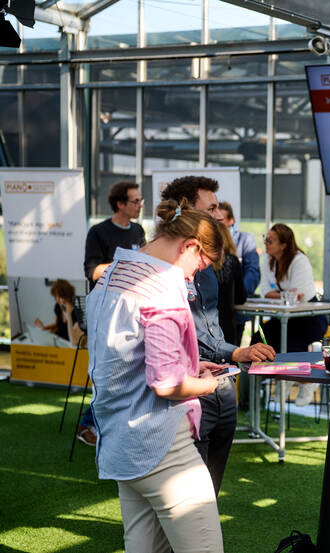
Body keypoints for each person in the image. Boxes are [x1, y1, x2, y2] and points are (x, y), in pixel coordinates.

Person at [86, 200, 226, 552]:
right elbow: (166, 384)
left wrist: (189, 369)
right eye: (200, 265)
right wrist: (206, 384)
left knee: (142, 546)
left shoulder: (114, 273)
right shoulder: (163, 288)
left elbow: (126, 355)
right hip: (161, 443)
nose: (195, 276)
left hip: (120, 436)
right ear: (189, 246)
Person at [161, 175, 275, 496]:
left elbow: (210, 325)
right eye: (211, 209)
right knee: (186, 496)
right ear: (187, 210)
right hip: (188, 390)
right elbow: (185, 335)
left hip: (220, 380)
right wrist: (236, 352)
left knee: (210, 491)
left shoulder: (208, 268)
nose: (219, 215)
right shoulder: (163, 270)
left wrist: (234, 354)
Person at [78, 181, 147, 446]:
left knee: (130, 369)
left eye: (141, 200)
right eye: (135, 201)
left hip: (134, 310)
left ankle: (115, 424)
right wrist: (126, 267)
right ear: (120, 204)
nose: (140, 205)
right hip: (106, 312)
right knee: (111, 372)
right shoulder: (99, 232)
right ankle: (88, 423)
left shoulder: (139, 230)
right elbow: (92, 272)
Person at [256, 223, 326, 406]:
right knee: (260, 338)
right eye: (265, 239)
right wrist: (287, 295)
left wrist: (282, 295)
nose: (266, 243)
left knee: (292, 345)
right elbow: (265, 291)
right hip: (285, 316)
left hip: (310, 317)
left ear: (283, 245)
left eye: (270, 240)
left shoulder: (299, 259)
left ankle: (306, 381)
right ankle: (280, 380)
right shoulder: (268, 259)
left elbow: (299, 295)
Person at [217, 201, 260, 340]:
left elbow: (252, 271)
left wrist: (236, 294)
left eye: (221, 221)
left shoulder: (245, 240)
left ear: (231, 221)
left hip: (234, 310)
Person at [215, 223, 246, 345]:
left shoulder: (200, 262)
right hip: (226, 325)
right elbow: (241, 298)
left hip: (204, 327)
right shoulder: (232, 261)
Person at [34, 279, 82, 346]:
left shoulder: (77, 312)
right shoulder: (58, 307)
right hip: (57, 340)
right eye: (56, 297)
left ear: (67, 296)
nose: (57, 300)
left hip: (67, 343)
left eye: (59, 297)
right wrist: (44, 327)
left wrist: (68, 314)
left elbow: (75, 340)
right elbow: (56, 324)